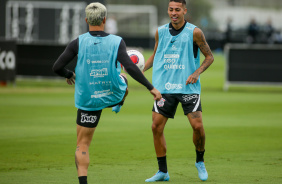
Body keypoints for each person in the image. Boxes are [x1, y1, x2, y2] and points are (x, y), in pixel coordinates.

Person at [52, 2, 162, 184]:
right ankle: (120, 102)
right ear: (104, 19)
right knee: (123, 77)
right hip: (112, 93)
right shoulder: (117, 41)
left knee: (82, 144)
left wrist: (69, 74)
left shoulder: (77, 42)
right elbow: (131, 68)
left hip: (88, 100)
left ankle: (83, 182)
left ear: (86, 20)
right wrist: (151, 88)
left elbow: (57, 67)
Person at [143, 0, 214, 182]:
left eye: (177, 9)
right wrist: (140, 70)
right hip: (165, 88)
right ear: (168, 10)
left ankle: (199, 160)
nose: (174, 12)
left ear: (184, 10)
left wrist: (197, 72)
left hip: (188, 87)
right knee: (155, 127)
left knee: (197, 126)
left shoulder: (195, 32)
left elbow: (209, 57)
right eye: (171, 9)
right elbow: (156, 55)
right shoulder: (160, 32)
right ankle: (163, 171)